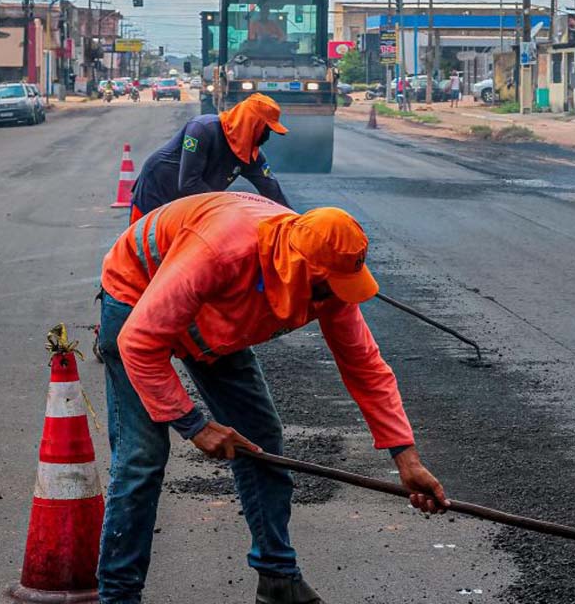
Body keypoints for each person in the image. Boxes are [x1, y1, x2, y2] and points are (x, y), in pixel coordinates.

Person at [97, 192, 449, 604]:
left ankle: (278, 577)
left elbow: (364, 366)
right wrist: (194, 425)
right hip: (137, 295)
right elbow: (138, 343)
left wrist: (406, 459)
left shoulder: (326, 280)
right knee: (142, 458)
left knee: (259, 441)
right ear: (300, 267)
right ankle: (119, 596)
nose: (334, 297)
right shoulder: (221, 252)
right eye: (329, 287)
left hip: (213, 315)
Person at [129, 92, 291, 224]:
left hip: (189, 206)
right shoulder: (202, 129)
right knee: (141, 254)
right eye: (266, 130)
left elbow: (272, 191)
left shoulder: (251, 155)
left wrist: (296, 223)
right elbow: (188, 184)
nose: (267, 137)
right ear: (252, 124)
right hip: (156, 193)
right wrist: (230, 207)